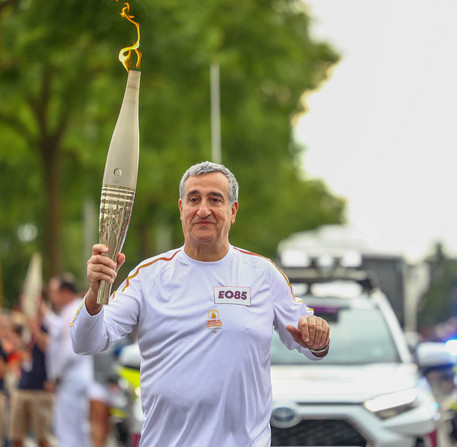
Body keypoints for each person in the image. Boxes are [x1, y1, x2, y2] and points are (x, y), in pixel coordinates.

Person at [71, 161, 331, 447]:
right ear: (181, 208)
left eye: (215, 200)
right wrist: (95, 295)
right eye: (194, 199)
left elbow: (311, 344)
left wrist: (317, 336)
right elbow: (84, 342)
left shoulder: (262, 274)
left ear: (233, 211)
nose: (203, 210)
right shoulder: (149, 276)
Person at [45, 274, 93, 447]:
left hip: (70, 379)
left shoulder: (72, 311)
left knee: (67, 430)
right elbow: (57, 328)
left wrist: (55, 377)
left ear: (65, 292)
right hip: (79, 377)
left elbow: (69, 351)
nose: (52, 296)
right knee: (78, 428)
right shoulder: (73, 309)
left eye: (53, 291)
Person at [8, 295, 54, 447]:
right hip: (22, 388)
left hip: (40, 389)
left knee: (42, 438)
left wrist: (34, 327)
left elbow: (46, 347)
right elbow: (19, 354)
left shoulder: (49, 327)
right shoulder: (25, 330)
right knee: (16, 436)